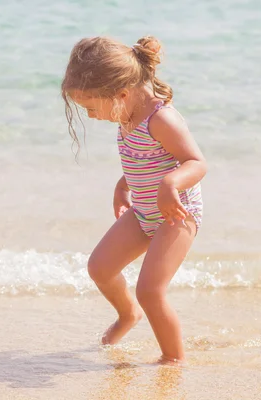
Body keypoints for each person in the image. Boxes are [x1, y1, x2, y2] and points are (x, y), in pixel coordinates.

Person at [61, 35, 206, 364]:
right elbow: (146, 160)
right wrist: (122, 186)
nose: (92, 116)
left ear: (121, 93)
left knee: (151, 290)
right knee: (99, 268)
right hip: (143, 211)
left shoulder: (161, 119)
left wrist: (171, 183)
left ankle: (173, 359)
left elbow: (196, 162)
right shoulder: (127, 114)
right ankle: (128, 315)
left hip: (176, 215)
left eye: (91, 107)